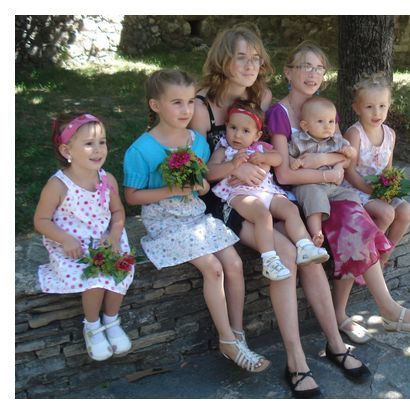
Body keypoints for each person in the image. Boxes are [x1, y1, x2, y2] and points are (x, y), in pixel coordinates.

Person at [190, 25, 370, 398]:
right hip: (223, 198)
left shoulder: (262, 95)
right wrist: (234, 168)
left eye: (256, 58)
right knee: (287, 254)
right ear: (223, 59)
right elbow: (197, 176)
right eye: (241, 56)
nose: (250, 65)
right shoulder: (201, 106)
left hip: (265, 190)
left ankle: (335, 343)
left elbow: (274, 154)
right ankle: (296, 362)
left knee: (309, 254)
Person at [266, 41, 410, 345]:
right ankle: (385, 310)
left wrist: (323, 161)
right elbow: (285, 173)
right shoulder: (279, 113)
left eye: (319, 68)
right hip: (297, 198)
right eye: (306, 66)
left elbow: (345, 157)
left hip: (331, 189)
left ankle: (356, 312)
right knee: (354, 226)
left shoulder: (324, 108)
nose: (313, 73)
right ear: (288, 72)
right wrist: (325, 170)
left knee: (358, 224)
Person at [123, 69, 269, 373]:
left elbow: (203, 183)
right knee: (214, 268)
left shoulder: (197, 143)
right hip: (165, 222)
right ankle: (226, 340)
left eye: (190, 102)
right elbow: (132, 197)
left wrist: (199, 185)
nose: (186, 110)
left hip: (195, 215)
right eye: (176, 103)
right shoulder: (142, 150)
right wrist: (171, 189)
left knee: (234, 263)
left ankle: (238, 332)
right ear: (155, 106)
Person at [34, 112, 134, 362]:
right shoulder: (58, 185)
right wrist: (65, 239)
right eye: (89, 143)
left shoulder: (106, 179)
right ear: (67, 149)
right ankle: (92, 326)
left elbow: (117, 211)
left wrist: (114, 234)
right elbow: (41, 221)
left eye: (102, 142)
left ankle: (111, 320)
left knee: (119, 268)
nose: (98, 149)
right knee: (95, 277)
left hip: (103, 238)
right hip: (72, 244)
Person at [208, 99, 329, 281]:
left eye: (245, 131)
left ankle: (304, 245)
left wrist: (264, 157)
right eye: (233, 128)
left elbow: (279, 159)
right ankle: (270, 259)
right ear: (226, 126)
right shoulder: (223, 150)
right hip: (239, 194)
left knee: (291, 209)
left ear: (257, 135)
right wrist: (232, 165)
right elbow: (210, 173)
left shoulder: (260, 148)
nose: (237, 135)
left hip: (268, 191)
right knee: (263, 216)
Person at [343, 71, 410, 266]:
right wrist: (371, 191)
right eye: (369, 107)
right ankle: (367, 253)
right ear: (357, 108)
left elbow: (388, 169)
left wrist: (390, 189)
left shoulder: (390, 134)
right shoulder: (355, 133)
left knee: (406, 211)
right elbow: (348, 172)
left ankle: (384, 254)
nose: (377, 113)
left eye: (382, 106)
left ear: (389, 106)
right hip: (356, 189)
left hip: (378, 190)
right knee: (386, 213)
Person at [288, 96, 360, 247]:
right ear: (305, 125)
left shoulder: (336, 140)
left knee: (351, 195)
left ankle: (355, 224)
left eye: (331, 121)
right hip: (309, 184)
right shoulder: (298, 140)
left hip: (332, 185)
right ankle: (316, 233)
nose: (327, 126)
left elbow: (352, 155)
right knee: (315, 197)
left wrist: (349, 150)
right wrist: (292, 161)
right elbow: (286, 155)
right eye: (320, 121)